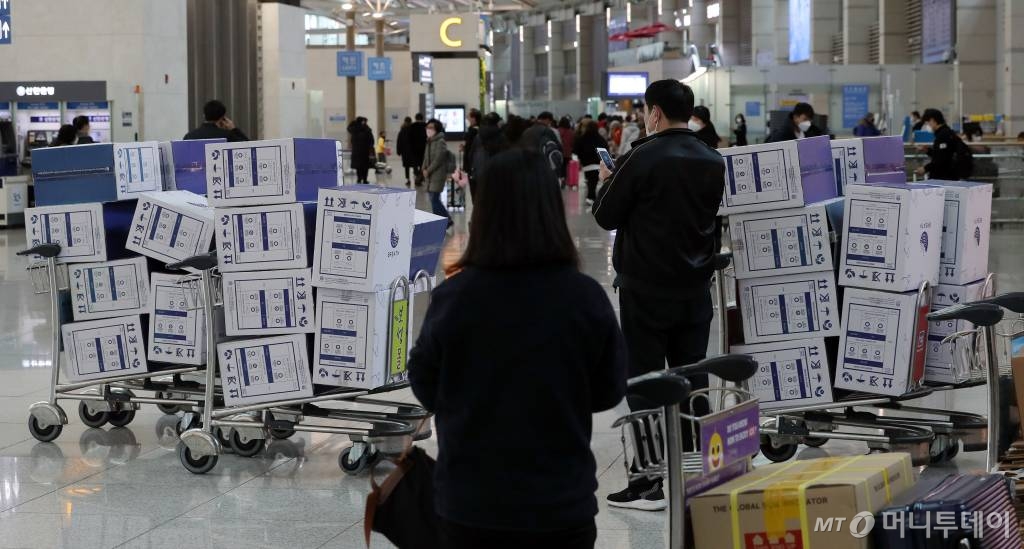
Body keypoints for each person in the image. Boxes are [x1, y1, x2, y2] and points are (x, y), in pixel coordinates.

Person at [408, 148, 627, 549]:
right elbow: (610, 389)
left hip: (470, 505)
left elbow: (424, 384)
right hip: (560, 505)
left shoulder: (454, 298)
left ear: (485, 211)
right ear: (550, 209)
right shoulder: (583, 298)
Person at [593, 79, 725, 510]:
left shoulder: (642, 156)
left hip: (646, 292)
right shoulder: (712, 158)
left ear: (654, 113)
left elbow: (605, 214)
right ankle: (699, 476)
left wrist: (607, 180)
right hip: (695, 291)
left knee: (646, 383)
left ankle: (648, 484)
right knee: (693, 381)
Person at [915, 108, 972, 181]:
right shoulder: (946, 133)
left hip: (944, 178)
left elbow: (941, 160)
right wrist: (927, 150)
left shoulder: (943, 135)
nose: (927, 126)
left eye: (927, 122)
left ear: (933, 120)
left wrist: (925, 168)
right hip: (949, 176)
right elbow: (942, 154)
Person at [423, 118, 453, 226]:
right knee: (433, 199)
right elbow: (426, 157)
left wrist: (428, 170)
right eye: (428, 127)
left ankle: (442, 222)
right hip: (430, 175)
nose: (428, 129)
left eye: (431, 127)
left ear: (437, 129)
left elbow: (439, 159)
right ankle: (446, 220)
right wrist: (423, 169)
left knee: (434, 199)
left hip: (438, 174)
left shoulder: (440, 141)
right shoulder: (429, 141)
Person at [573, 119, 609, 206]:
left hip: (586, 164)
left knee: (590, 180)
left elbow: (576, 150)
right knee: (594, 180)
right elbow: (606, 149)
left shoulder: (582, 138)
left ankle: (591, 197)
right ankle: (592, 197)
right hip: (597, 163)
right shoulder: (600, 138)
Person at [521, 111, 563, 178]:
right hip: (543, 166)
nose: (550, 124)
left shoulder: (526, 131)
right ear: (547, 120)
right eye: (550, 122)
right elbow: (556, 146)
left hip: (528, 165)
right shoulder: (547, 131)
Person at [184, 100, 249, 142]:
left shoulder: (189, 136)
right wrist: (234, 129)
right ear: (222, 118)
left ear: (204, 115)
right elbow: (248, 146)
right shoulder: (227, 136)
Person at [347, 117, 374, 184]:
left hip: (357, 151)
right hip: (365, 151)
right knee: (365, 167)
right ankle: (364, 179)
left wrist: (354, 121)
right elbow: (371, 140)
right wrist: (370, 148)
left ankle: (359, 179)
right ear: (363, 122)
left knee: (358, 166)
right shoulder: (367, 129)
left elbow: (349, 128)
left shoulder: (354, 130)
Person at [409, 113, 428, 186]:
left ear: (415, 118)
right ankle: (421, 177)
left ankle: (417, 176)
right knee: (422, 164)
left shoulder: (412, 126)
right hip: (423, 148)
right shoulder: (426, 126)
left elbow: (409, 139)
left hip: (414, 149)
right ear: (422, 118)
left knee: (415, 164)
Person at [462, 108, 481, 178]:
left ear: (474, 119)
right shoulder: (478, 130)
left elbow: (471, 148)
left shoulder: (473, 132)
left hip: (472, 164)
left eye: (468, 117)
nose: (467, 119)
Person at [396, 117, 415, 187]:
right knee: (414, 165)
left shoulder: (402, 130)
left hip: (405, 152)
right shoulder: (413, 129)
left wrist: (398, 151)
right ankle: (416, 179)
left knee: (406, 166)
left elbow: (399, 141)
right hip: (413, 151)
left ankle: (408, 179)